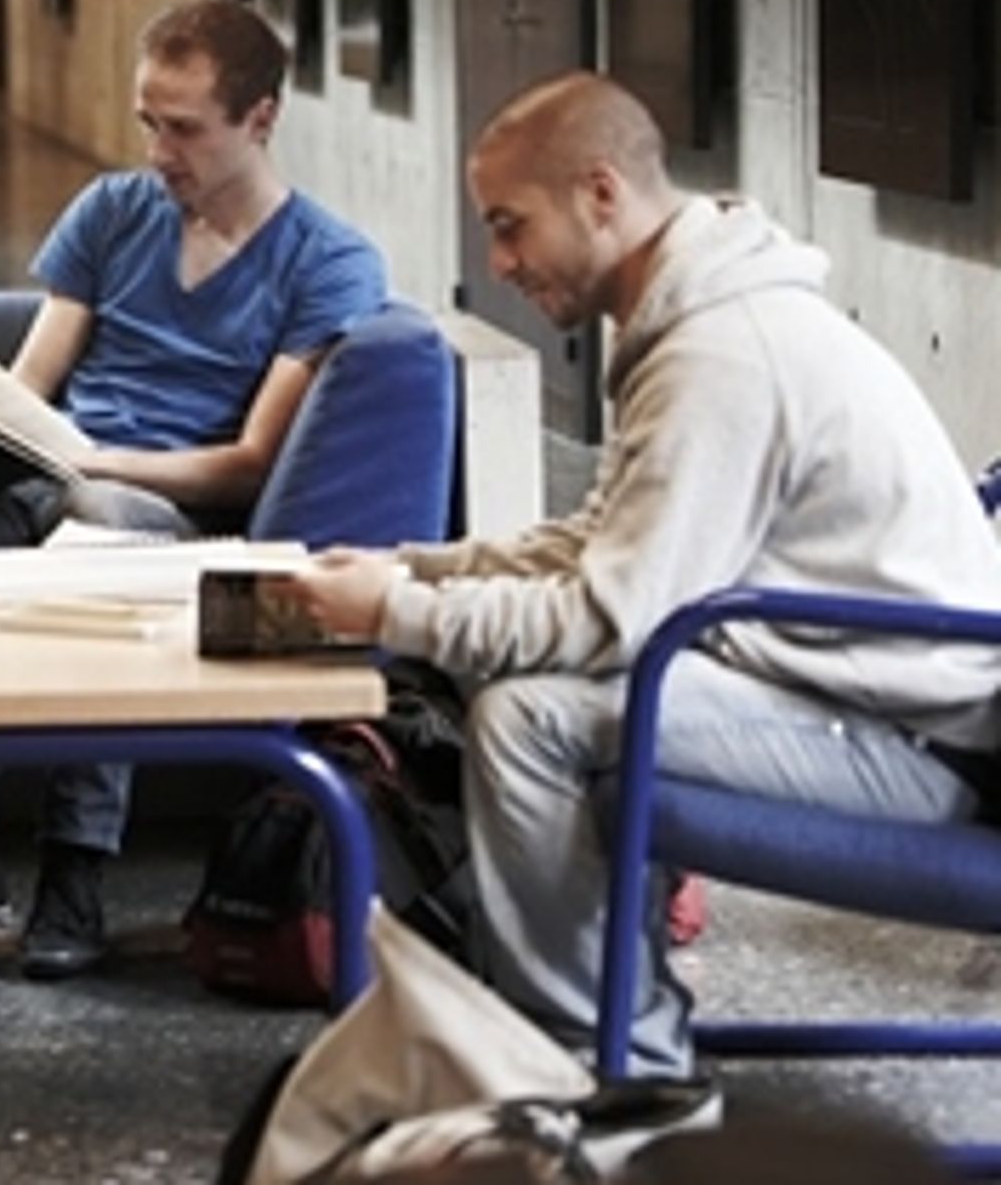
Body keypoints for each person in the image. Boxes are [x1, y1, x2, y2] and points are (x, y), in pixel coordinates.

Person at [285, 71, 1001, 1077]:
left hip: (914, 743)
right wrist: (419, 565)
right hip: (846, 693)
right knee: (520, 681)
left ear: (601, 193)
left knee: (528, 714)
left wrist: (398, 611)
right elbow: (602, 538)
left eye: (509, 225)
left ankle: (608, 1067)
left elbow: (611, 610)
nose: (497, 262)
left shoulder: (724, 356)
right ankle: (596, 1024)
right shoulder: (696, 325)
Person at [0, 0, 387, 978]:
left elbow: (248, 461)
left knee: (98, 525)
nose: (160, 151)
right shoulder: (111, 211)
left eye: (184, 128)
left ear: (261, 118)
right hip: (49, 477)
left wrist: (93, 462)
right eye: (146, 123)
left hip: (164, 509)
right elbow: (28, 388)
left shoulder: (329, 262)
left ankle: (75, 870)